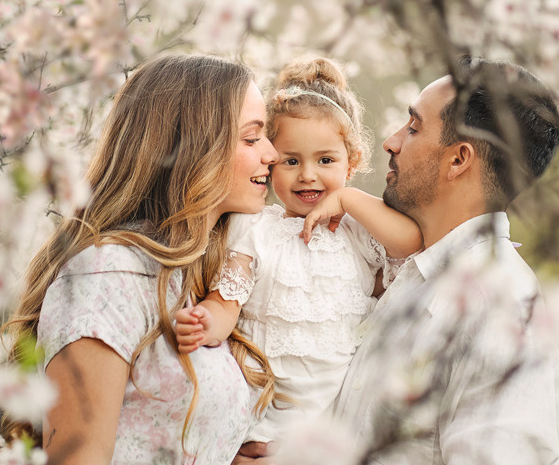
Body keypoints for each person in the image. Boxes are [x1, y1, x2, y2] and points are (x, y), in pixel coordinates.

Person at [226, 56, 559, 465]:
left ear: (460, 158)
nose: (389, 142)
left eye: (413, 126)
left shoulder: (499, 307)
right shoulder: (408, 276)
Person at [4, 54, 278, 465]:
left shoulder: (195, 284)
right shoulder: (107, 274)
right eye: (252, 139)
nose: (272, 156)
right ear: (192, 147)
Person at [175, 57, 423, 445]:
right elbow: (227, 301)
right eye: (291, 161)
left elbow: (412, 241)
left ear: (352, 162)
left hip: (335, 422)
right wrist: (205, 322)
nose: (307, 174)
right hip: (263, 416)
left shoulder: (358, 228)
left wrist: (349, 199)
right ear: (272, 162)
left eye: (325, 160)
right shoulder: (255, 228)